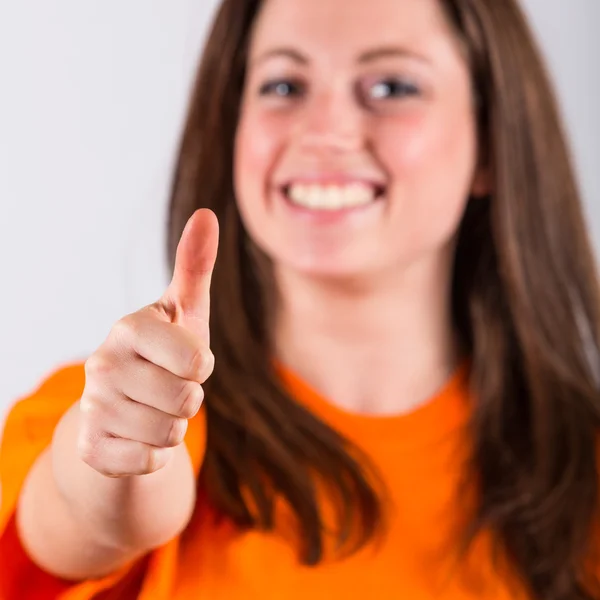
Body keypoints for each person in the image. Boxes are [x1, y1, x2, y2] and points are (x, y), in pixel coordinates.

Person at [1, 0, 599, 598]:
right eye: (284, 84)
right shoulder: (128, 405)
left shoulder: (585, 469)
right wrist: (116, 454)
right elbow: (91, 514)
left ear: (492, 141)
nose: (325, 131)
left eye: (392, 86)